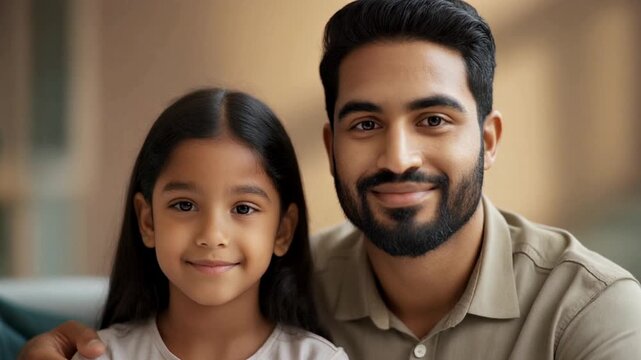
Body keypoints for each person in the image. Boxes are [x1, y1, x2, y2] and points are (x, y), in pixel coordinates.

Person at [19, 0, 641, 359]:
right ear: (331, 144)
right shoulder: (273, 280)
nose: (399, 157)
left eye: (432, 118)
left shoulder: (591, 314)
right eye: (366, 123)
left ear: (487, 139)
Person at [66, 88, 346, 359]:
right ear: (148, 222)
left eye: (243, 208)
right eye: (184, 205)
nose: (212, 236)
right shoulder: (104, 356)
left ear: (283, 230)